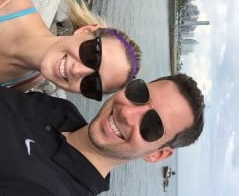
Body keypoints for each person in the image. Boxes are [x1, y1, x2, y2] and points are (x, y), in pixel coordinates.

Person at [0, 73, 205, 196]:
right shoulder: (64, 110)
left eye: (152, 125)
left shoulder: (51, 190)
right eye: (139, 94)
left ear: (156, 155)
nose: (126, 113)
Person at [0, 0, 141, 100]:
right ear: (85, 30)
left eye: (92, 84)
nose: (76, 70)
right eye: (92, 56)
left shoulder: (30, 80)